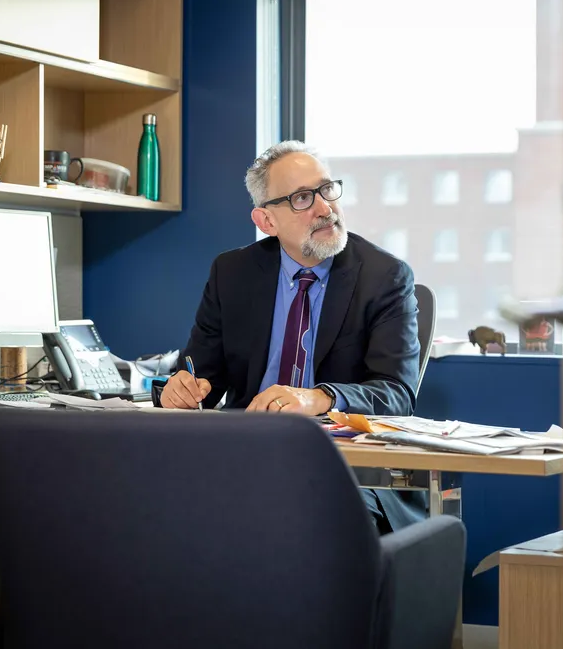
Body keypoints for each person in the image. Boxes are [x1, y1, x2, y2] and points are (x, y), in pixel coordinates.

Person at [161, 140, 425, 532]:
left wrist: (317, 398)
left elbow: (396, 394)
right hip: (245, 453)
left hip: (346, 467)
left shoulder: (384, 277)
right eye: (303, 198)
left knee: (308, 511)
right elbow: (203, 375)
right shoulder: (233, 273)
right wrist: (180, 389)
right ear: (266, 221)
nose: (325, 208)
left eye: (327, 189)